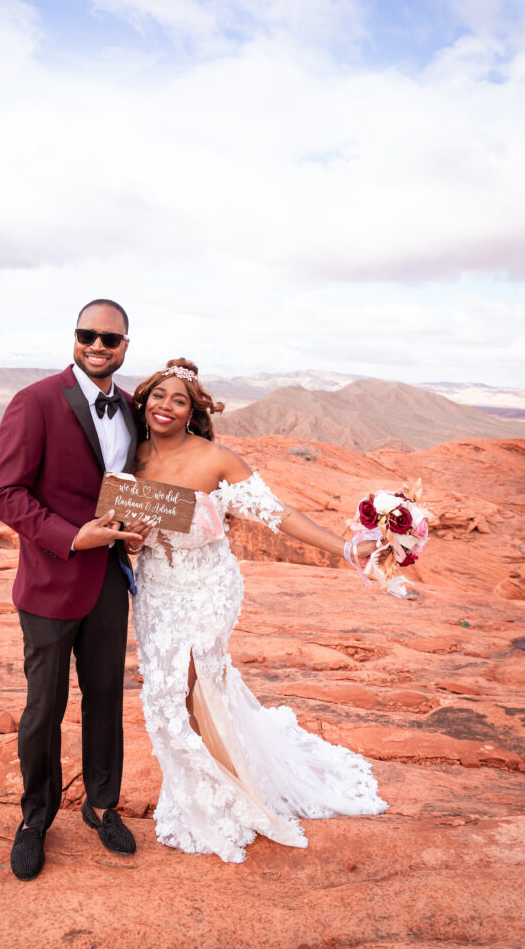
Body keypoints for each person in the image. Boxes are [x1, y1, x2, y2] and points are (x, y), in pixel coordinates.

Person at [129, 358, 388, 863]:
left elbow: (279, 514)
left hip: (206, 588)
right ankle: (192, 788)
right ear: (143, 402)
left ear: (192, 412)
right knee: (163, 695)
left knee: (192, 685)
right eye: (158, 396)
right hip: (156, 590)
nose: (166, 406)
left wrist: (345, 548)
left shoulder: (217, 460)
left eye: (178, 400)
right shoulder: (129, 455)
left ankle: (230, 796)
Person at [0, 299, 153, 881]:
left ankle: (102, 805)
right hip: (51, 581)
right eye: (89, 335)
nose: (99, 345)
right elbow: (4, 491)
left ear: (126, 346)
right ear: (75, 338)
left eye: (111, 338)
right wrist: (70, 535)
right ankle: (36, 818)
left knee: (105, 699)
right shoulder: (33, 402)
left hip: (109, 581)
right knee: (43, 709)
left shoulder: (133, 409)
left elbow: (134, 488)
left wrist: (140, 526)